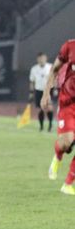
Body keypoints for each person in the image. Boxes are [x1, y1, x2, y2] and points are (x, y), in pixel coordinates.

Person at [42, 40, 75, 193]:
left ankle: (68, 183)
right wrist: (46, 93)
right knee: (66, 143)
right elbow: (55, 69)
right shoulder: (69, 46)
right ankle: (58, 155)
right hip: (68, 102)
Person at [29, 52, 54, 131]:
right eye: (40, 58)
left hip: (49, 90)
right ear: (37, 59)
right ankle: (41, 126)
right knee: (40, 109)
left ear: (45, 58)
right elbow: (32, 81)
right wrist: (31, 93)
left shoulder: (50, 67)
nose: (41, 60)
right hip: (38, 90)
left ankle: (50, 125)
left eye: (43, 58)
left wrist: (56, 88)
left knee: (49, 108)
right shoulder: (34, 69)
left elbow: (55, 78)